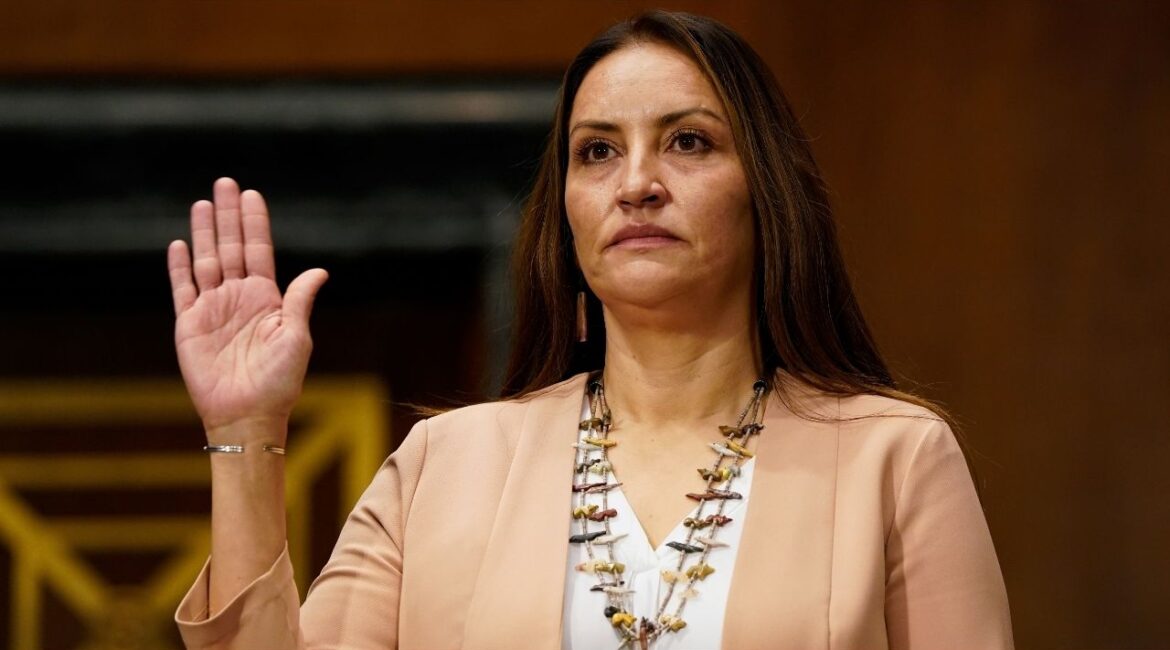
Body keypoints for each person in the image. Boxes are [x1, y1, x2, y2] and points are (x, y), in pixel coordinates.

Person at [168, 10, 1013, 650]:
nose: (637, 183)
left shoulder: (894, 458)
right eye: (597, 152)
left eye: (687, 142)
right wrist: (245, 433)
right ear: (564, 212)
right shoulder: (441, 468)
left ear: (766, 196)